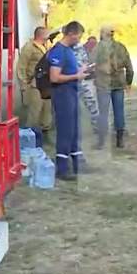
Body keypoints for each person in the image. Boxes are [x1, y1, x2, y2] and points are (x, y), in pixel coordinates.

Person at [48, 21, 89, 181]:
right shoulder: (58, 51)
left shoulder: (69, 51)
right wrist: (76, 76)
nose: (79, 39)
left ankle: (78, 164)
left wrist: (80, 70)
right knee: (65, 130)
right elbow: (54, 77)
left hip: (72, 93)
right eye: (79, 36)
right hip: (62, 95)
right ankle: (62, 169)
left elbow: (69, 70)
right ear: (71, 34)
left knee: (74, 129)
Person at [92, 25, 134, 149]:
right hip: (118, 83)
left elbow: (90, 64)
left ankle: (101, 142)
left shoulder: (98, 48)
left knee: (103, 112)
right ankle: (120, 140)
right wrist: (128, 82)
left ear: (102, 34)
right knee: (119, 111)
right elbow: (129, 67)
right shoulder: (121, 47)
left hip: (103, 84)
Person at [16, 26, 52, 146]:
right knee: (34, 113)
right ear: (40, 34)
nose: (48, 36)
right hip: (35, 84)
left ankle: (45, 137)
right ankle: (30, 140)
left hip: (47, 84)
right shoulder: (29, 47)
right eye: (46, 34)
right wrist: (24, 84)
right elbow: (21, 66)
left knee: (46, 113)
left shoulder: (46, 47)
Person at [73, 40, 100, 135]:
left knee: (92, 103)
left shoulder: (81, 49)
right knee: (73, 107)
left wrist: (89, 68)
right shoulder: (64, 49)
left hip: (82, 81)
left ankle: (97, 127)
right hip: (70, 82)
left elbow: (85, 63)